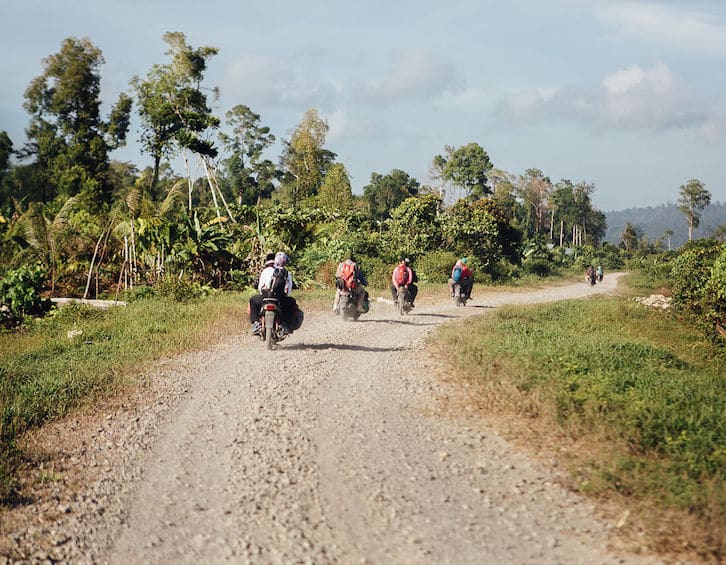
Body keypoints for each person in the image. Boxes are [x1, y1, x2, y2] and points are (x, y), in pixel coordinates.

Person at [249, 251, 303, 335]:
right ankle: (284, 324)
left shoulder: (266, 271)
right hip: (280, 299)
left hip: (265, 297)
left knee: (252, 300)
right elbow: (288, 292)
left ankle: (256, 323)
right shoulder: (287, 273)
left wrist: (264, 295)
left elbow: (260, 287)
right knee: (291, 303)